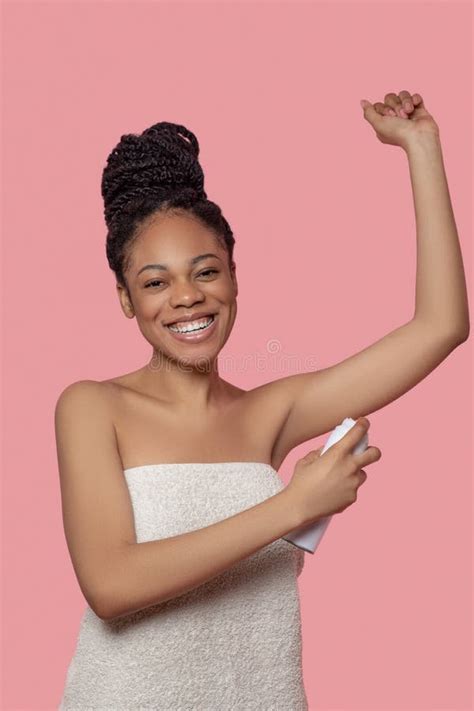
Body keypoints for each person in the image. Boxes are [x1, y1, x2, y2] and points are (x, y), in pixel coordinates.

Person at [56, 95, 469, 709]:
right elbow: (111, 584)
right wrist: (293, 505)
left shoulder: (269, 414)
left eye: (205, 271)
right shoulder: (92, 408)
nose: (186, 298)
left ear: (233, 276)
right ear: (125, 299)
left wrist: (422, 147)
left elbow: (441, 326)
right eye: (154, 282)